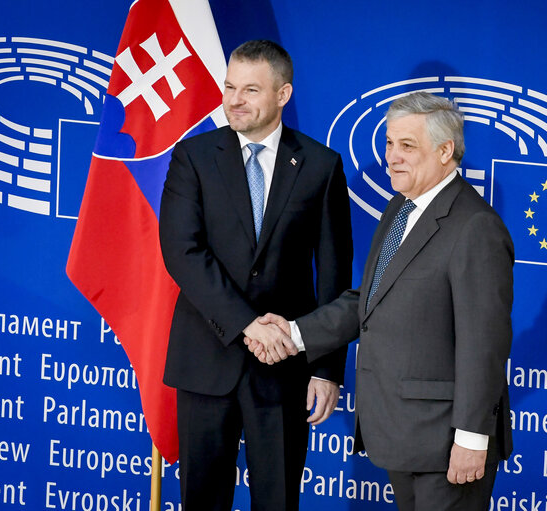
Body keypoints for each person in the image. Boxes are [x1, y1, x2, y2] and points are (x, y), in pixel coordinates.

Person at [247, 92, 514, 510]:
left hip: (446, 443)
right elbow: (368, 301)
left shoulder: (475, 226)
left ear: (446, 151)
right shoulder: (400, 208)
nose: (392, 156)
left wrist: (471, 438)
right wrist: (294, 334)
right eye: (390, 143)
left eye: (407, 146)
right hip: (402, 435)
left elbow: (484, 345)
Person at [158, 40, 353, 511]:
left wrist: (326, 370)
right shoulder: (193, 156)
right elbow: (182, 252)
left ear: (283, 94)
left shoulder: (321, 166)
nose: (234, 100)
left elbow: (333, 272)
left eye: (250, 90)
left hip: (283, 366)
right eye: (229, 87)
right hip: (207, 358)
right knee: (202, 500)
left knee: (278, 501)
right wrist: (248, 324)